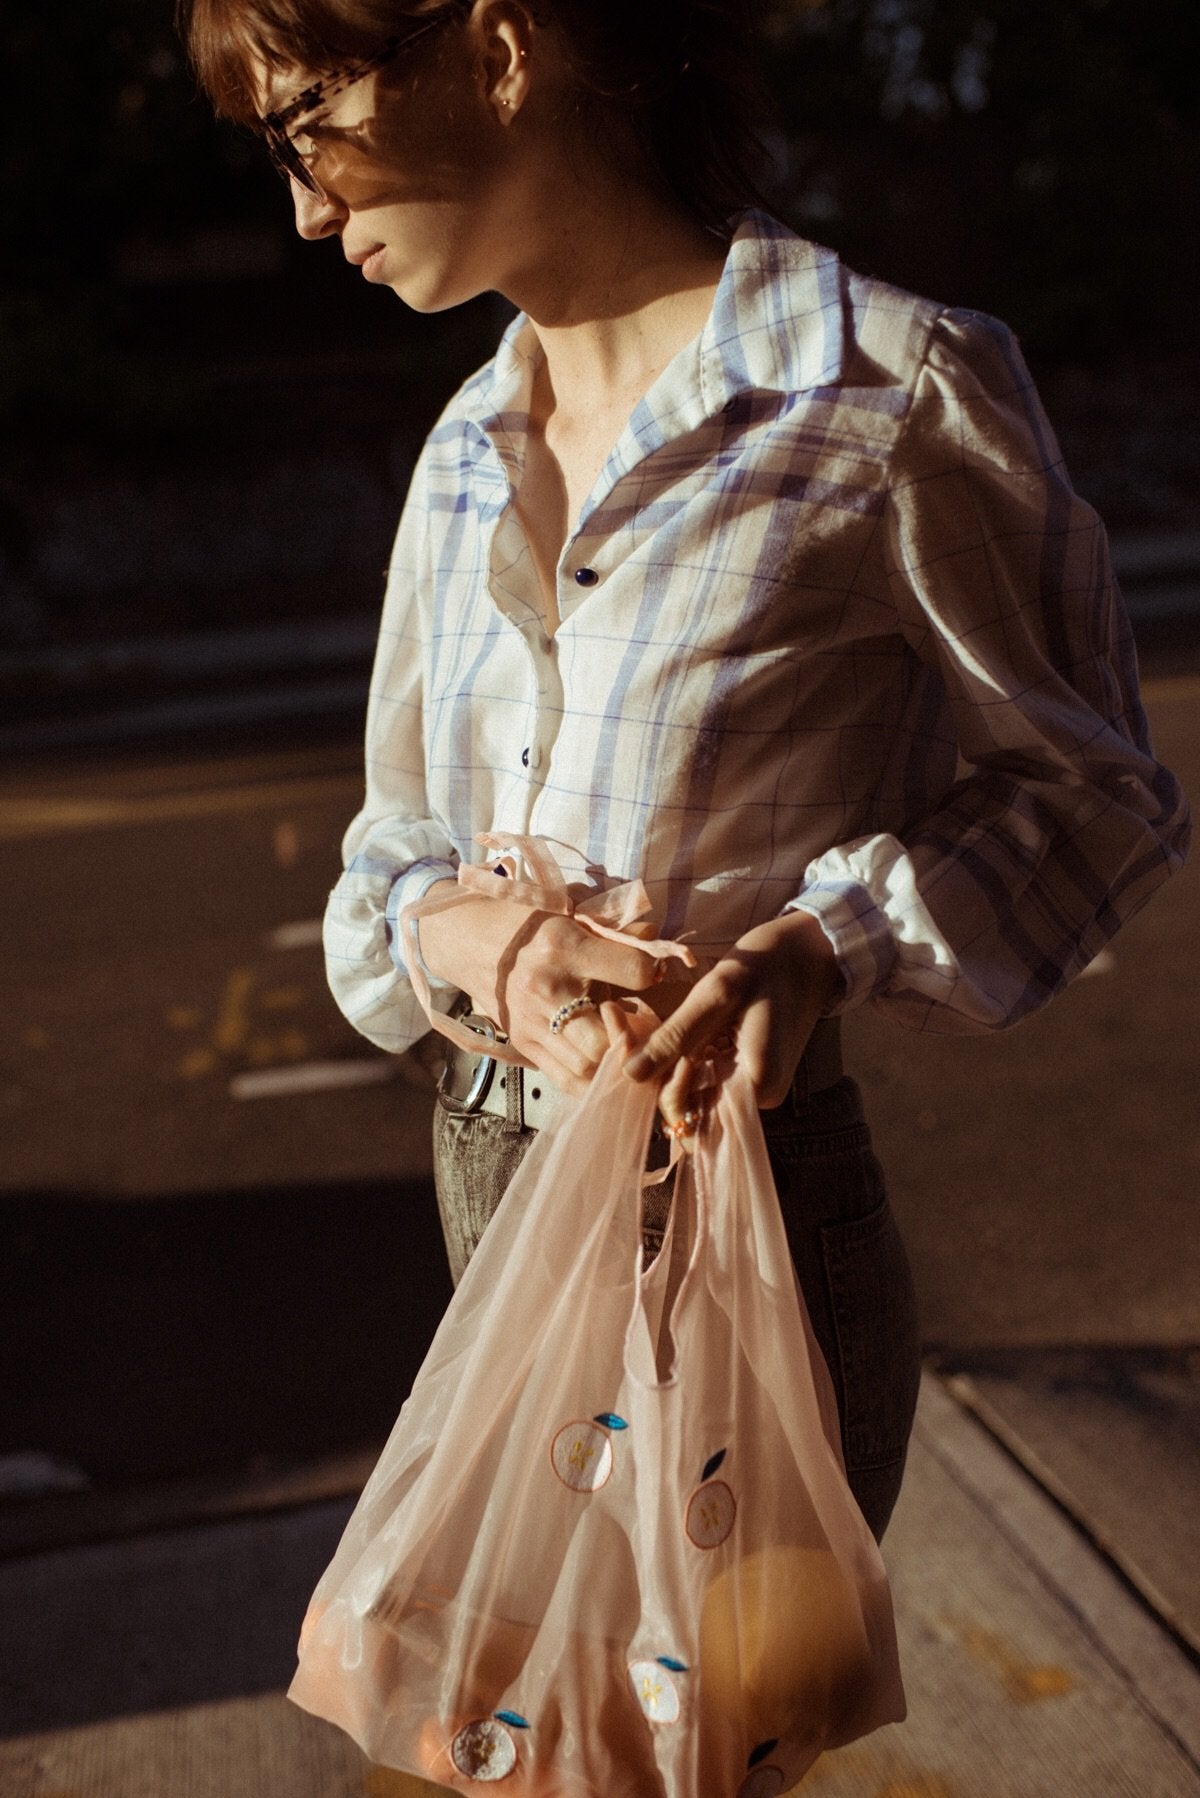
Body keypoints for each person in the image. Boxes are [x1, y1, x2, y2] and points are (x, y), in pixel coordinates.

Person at [181, 0, 1189, 1543]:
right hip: (490, 1174)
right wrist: (468, 938)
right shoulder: (465, 443)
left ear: (501, 48)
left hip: (742, 1208)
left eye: (305, 115)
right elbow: (392, 847)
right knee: (534, 1743)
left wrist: (822, 944)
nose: (306, 203)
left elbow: (1097, 792)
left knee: (698, 1754)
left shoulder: (889, 389)